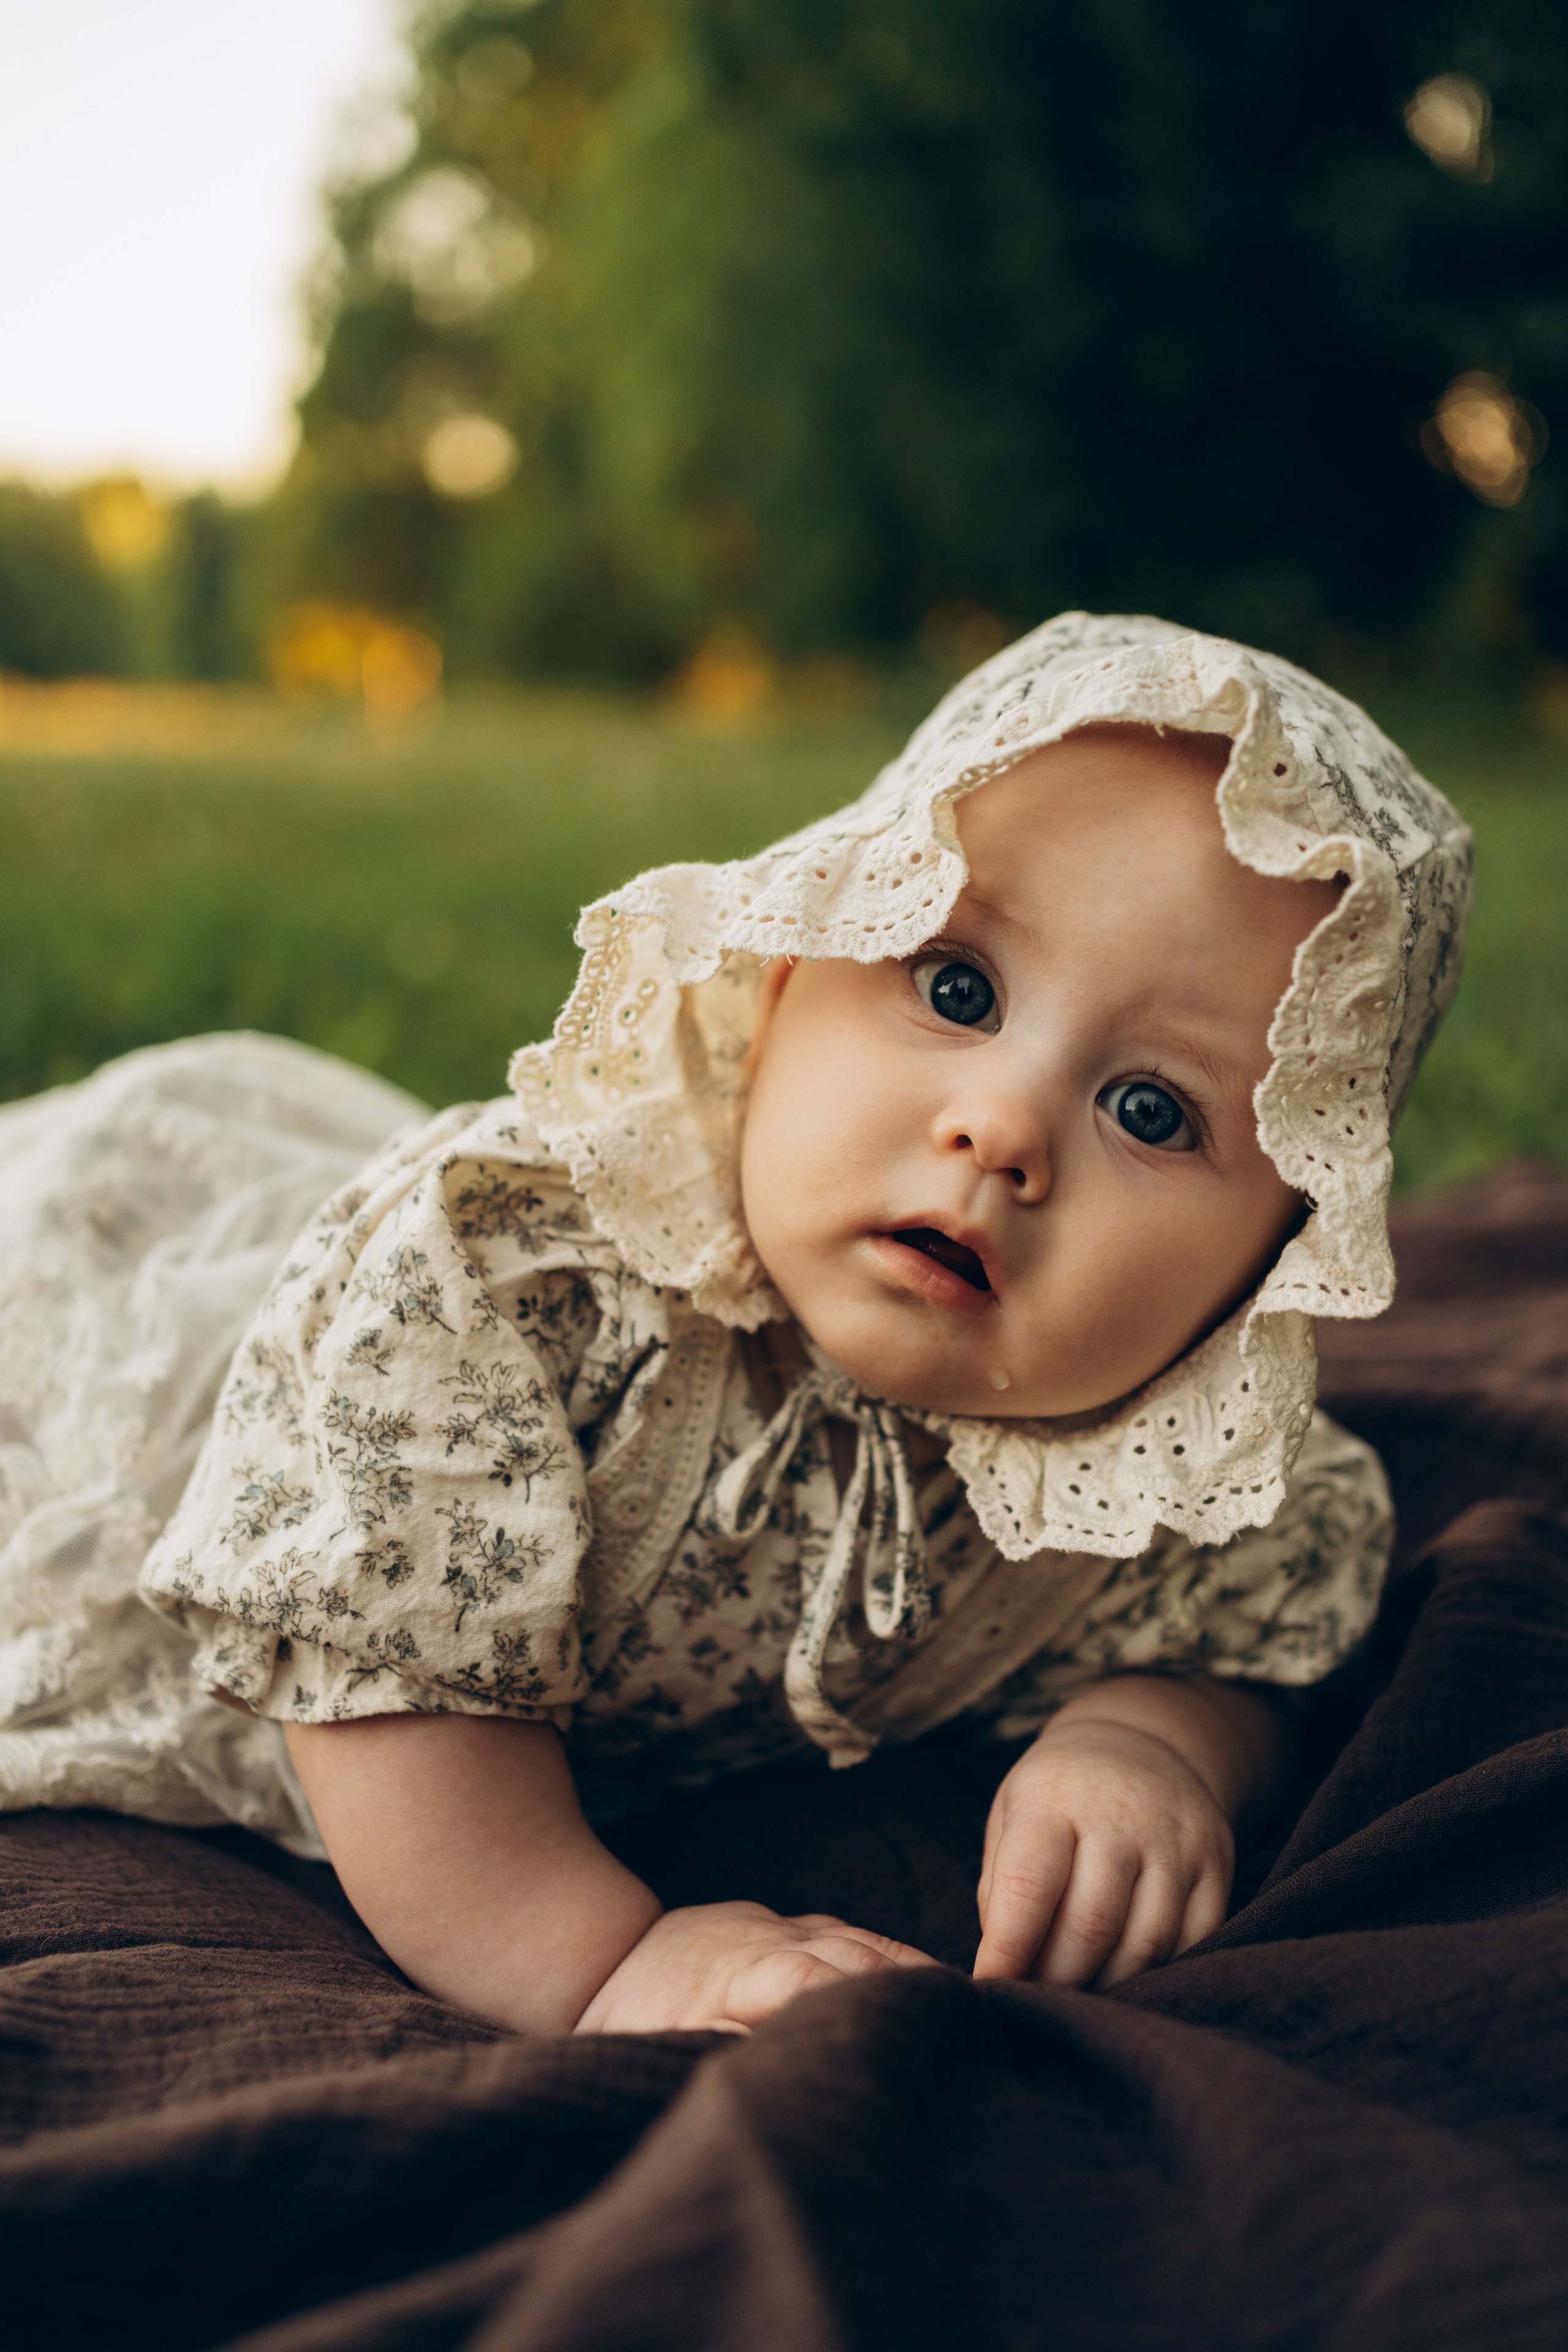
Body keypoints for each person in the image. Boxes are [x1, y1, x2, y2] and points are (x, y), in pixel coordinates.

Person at [0, 613, 1472, 2037]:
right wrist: (599, 1961)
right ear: (779, 980)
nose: (1003, 1126)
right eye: (954, 986)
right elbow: (378, 1673)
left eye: (1150, 1111)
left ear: (1274, 1260)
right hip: (145, 1400)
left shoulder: (1181, 1477)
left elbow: (1256, 1634)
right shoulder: (493, 1291)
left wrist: (1151, 1743)